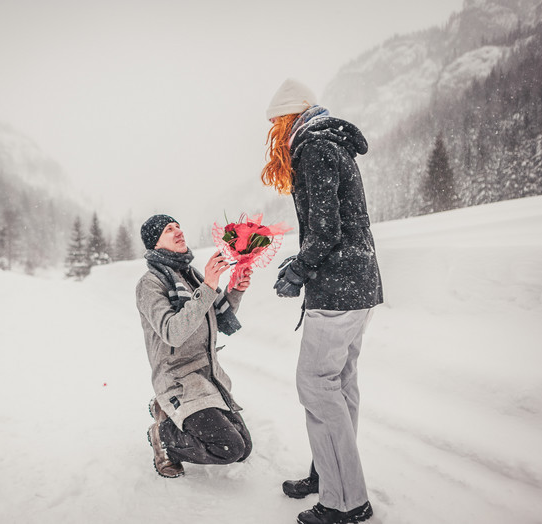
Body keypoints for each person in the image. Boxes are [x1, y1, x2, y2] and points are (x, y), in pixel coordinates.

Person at [262, 78, 383, 524]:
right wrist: (303, 262)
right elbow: (340, 222)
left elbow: (327, 228)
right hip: (360, 284)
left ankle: (346, 502)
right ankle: (329, 473)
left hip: (337, 288)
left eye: (276, 122)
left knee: (316, 384)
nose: (274, 131)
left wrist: (299, 269)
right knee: (341, 383)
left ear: (289, 117)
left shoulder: (313, 147)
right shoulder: (333, 142)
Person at [135, 214, 253, 478]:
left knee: (243, 449)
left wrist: (235, 290)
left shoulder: (189, 275)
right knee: (228, 449)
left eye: (178, 226)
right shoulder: (150, 284)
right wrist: (209, 286)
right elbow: (173, 333)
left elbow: (216, 319)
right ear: (155, 243)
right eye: (168, 229)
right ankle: (163, 435)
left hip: (207, 378)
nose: (178, 231)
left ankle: (166, 410)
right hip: (178, 380)